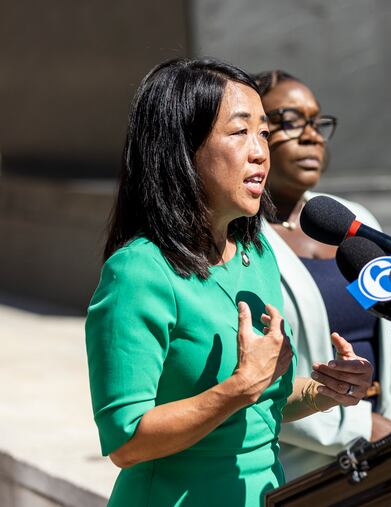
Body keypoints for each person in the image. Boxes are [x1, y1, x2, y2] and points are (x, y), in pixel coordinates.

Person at [85, 58, 375, 506]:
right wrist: (238, 388)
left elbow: (264, 401)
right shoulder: (138, 272)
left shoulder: (256, 254)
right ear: (182, 147)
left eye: (264, 132)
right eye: (240, 132)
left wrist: (325, 391)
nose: (260, 152)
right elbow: (127, 442)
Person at [251, 70, 391, 480]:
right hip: (303, 467)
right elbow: (257, 381)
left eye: (317, 122)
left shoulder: (353, 220)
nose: (311, 135)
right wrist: (364, 428)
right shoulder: (238, 241)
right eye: (290, 121)